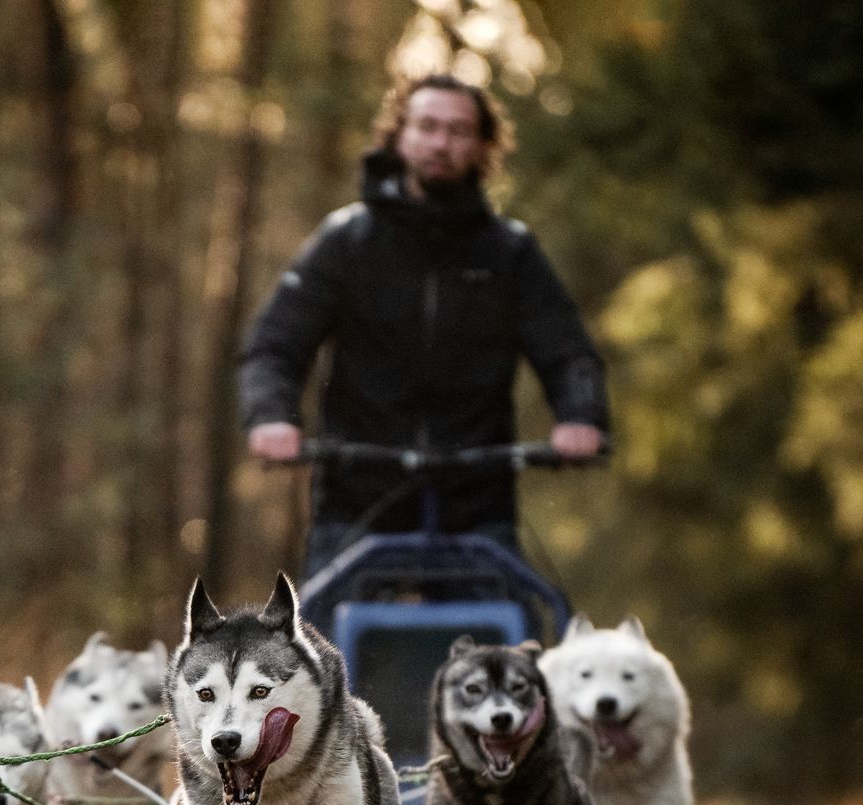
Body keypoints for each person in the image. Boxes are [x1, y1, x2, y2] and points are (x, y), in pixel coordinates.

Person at [240, 74, 609, 578]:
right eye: (428, 126)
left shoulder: (510, 252)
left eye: (459, 131)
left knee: (512, 644)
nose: (441, 143)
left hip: (477, 505)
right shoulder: (347, 241)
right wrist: (271, 417)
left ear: (483, 147)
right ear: (398, 135)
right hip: (356, 500)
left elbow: (568, 353)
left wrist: (580, 416)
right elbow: (275, 347)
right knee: (319, 648)